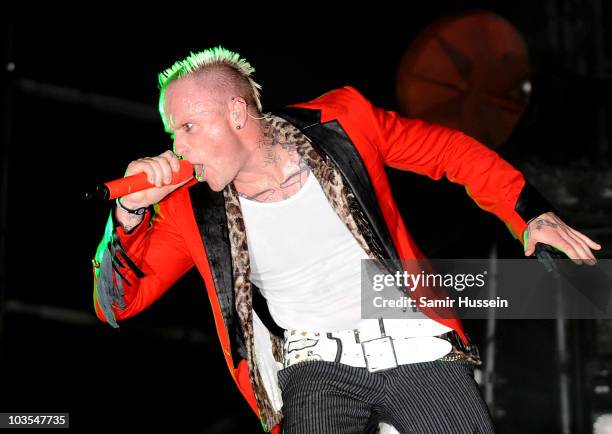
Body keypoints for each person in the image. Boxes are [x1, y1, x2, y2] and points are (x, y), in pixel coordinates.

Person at [91, 46, 602, 434]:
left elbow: (448, 151)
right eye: (172, 133)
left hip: (412, 340)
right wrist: (129, 213)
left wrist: (529, 212)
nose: (177, 147)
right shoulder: (186, 206)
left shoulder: (343, 123)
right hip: (314, 362)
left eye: (188, 127)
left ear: (237, 113)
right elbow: (118, 303)